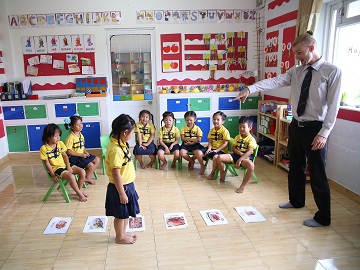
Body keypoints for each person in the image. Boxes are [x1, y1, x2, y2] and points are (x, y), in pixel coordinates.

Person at [235, 31, 342, 227]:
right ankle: (296, 201)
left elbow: (334, 107)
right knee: (296, 168)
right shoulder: (296, 70)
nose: (297, 57)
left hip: (315, 129)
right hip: (296, 125)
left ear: (311, 48)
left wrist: (324, 133)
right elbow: (274, 81)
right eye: (295, 54)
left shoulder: (332, 71)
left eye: (300, 53)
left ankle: (323, 217)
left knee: (317, 174)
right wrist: (250, 89)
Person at [105, 114, 140, 244]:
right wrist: (121, 193)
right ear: (125, 132)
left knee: (125, 213)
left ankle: (123, 233)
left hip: (127, 185)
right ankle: (119, 237)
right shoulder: (115, 150)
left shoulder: (121, 143)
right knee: (120, 215)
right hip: (120, 187)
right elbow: (116, 174)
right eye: (132, 133)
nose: (132, 136)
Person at [40, 123, 88, 202]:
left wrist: (68, 166)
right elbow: (47, 163)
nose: (58, 138)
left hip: (65, 165)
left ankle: (79, 191)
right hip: (56, 169)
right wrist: (52, 175)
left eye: (59, 136)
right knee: (71, 177)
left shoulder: (60, 144)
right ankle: (80, 194)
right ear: (48, 137)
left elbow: (65, 156)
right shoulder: (44, 148)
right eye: (56, 136)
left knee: (82, 172)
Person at [216, 116, 257, 193]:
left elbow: (249, 152)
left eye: (243, 127)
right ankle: (222, 173)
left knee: (251, 166)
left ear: (250, 127)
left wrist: (240, 159)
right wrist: (240, 153)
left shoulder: (251, 139)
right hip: (236, 155)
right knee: (219, 157)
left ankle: (242, 186)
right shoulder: (237, 137)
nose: (241, 129)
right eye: (240, 127)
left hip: (245, 158)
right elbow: (233, 148)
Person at [64, 114, 100, 185]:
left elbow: (82, 146)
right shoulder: (70, 138)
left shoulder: (81, 135)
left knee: (97, 159)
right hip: (75, 158)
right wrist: (80, 154)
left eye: (81, 123)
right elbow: (68, 151)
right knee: (91, 165)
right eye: (77, 125)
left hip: (82, 155)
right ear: (71, 126)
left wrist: (85, 152)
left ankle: (87, 177)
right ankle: (87, 177)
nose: (80, 126)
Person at [193, 111, 230, 177]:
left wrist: (216, 150)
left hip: (221, 151)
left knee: (215, 157)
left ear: (223, 121)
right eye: (214, 119)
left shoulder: (225, 131)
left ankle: (213, 172)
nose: (215, 121)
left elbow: (225, 144)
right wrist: (209, 148)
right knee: (198, 152)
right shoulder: (212, 130)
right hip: (212, 148)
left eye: (218, 119)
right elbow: (210, 141)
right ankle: (202, 166)